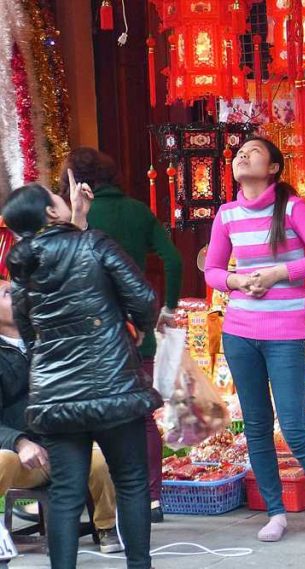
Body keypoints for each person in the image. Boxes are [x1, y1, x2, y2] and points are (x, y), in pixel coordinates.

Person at [204, 137, 305, 545]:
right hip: (239, 332)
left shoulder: (291, 207)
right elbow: (212, 271)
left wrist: (277, 273)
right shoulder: (227, 213)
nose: (242, 156)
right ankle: (275, 512)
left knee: (294, 428)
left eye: (253, 152)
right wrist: (235, 280)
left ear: (273, 167)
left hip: (284, 334)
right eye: (239, 153)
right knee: (255, 426)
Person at [3, 183, 159, 569]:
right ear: (52, 213)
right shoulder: (95, 245)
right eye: (55, 198)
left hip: (56, 397)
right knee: (132, 482)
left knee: (67, 494)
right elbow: (143, 299)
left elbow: (27, 332)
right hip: (113, 386)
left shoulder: (22, 269)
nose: (61, 199)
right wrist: (134, 335)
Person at [61, 147, 183, 522]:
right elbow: (174, 260)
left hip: (88, 332)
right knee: (143, 416)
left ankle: (100, 503)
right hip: (135, 327)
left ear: (75, 181)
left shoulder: (75, 218)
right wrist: (168, 308)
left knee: (86, 414)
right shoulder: (137, 210)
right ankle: (151, 498)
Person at [0, 278, 123, 553]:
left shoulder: (46, 341)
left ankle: (105, 527)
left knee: (99, 458)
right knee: (1, 461)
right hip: (20, 457)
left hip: (61, 448)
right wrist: (20, 442)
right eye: (8, 294)